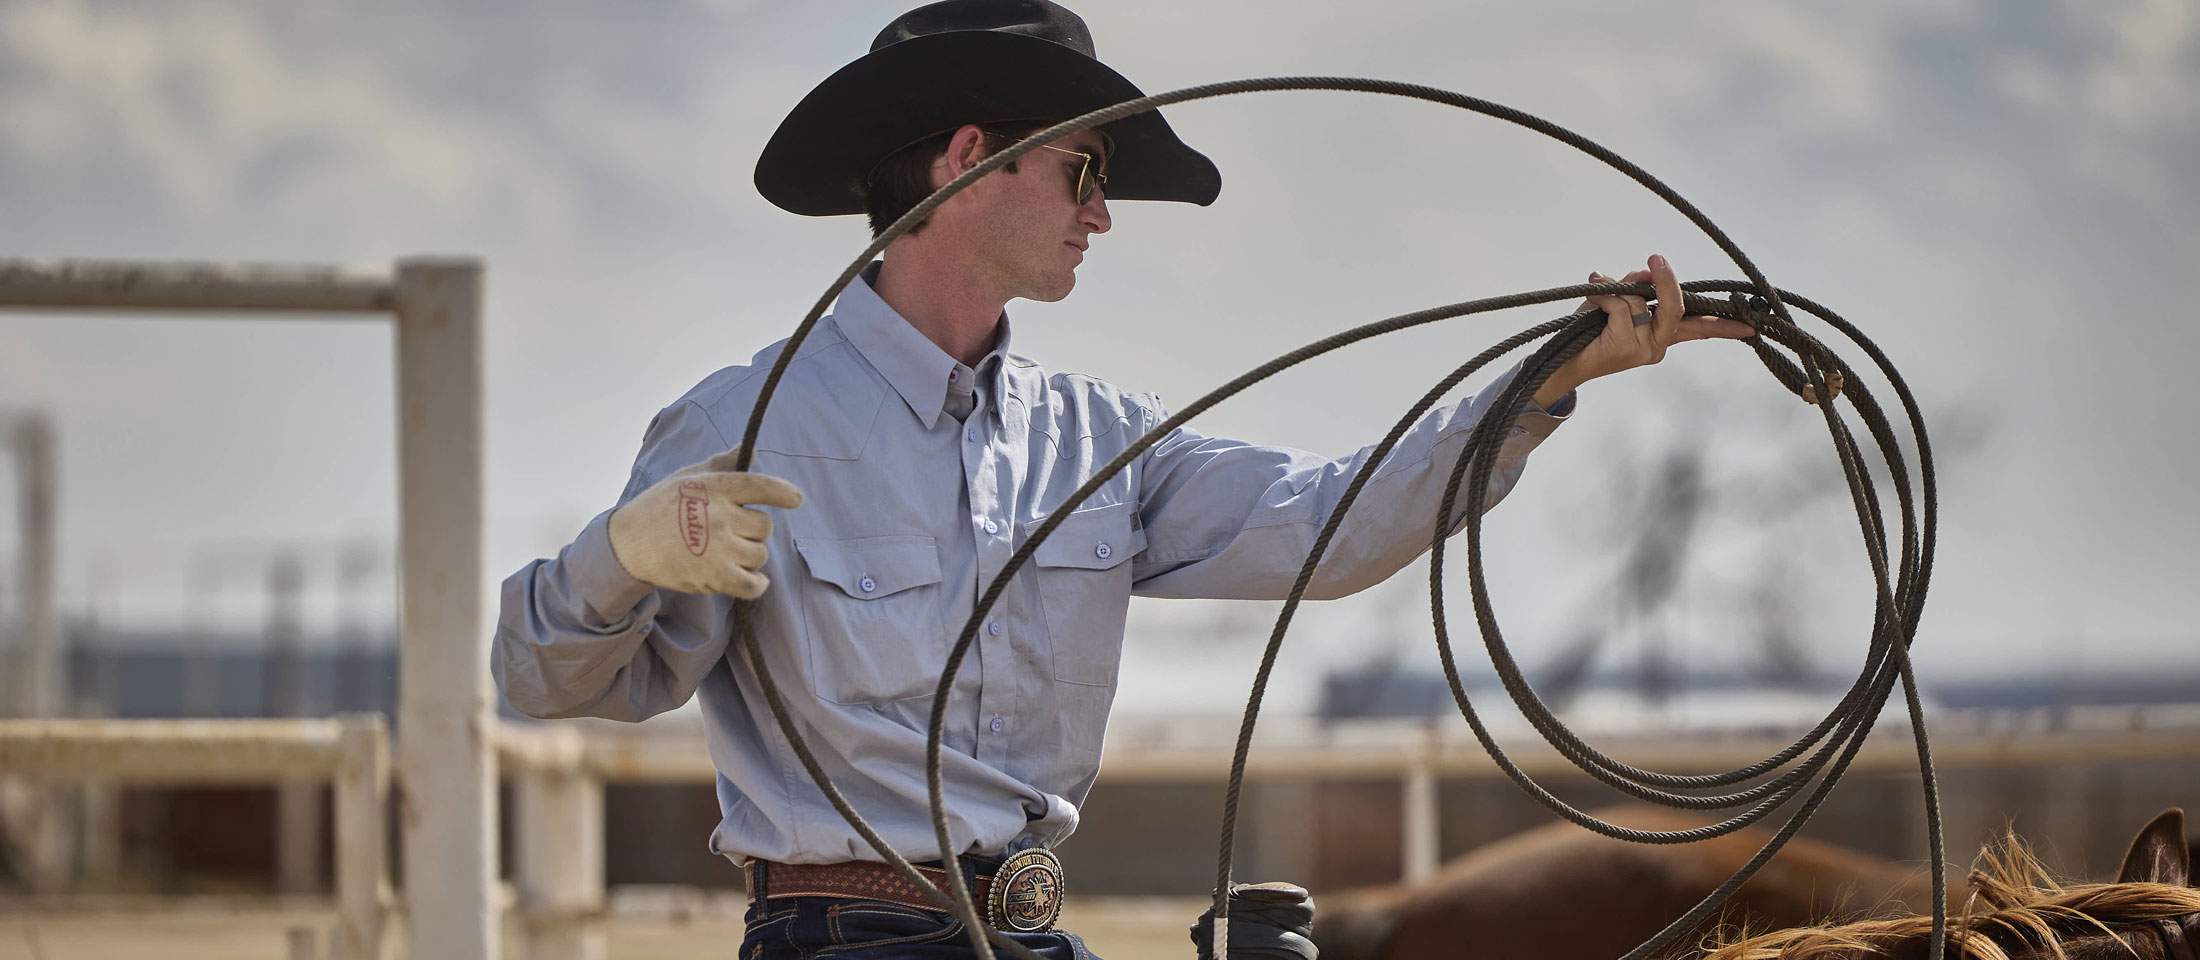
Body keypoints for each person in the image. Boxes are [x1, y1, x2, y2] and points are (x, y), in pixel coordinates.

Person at [492, 1, 1755, 956]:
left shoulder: (1098, 439)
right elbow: (541, 682)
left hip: (1033, 934)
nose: (1102, 215)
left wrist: (1549, 379)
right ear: (969, 157)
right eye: (1086, 171)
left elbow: (1329, 523)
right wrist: (619, 556)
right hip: (843, 938)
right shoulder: (743, 424)